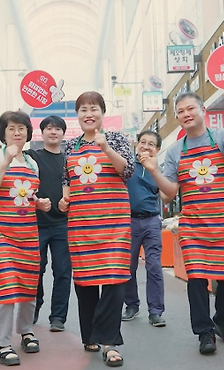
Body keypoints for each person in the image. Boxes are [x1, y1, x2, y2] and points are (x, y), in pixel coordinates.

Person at [141, 92, 224, 355]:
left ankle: (223, 321)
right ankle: (204, 332)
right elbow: (169, 193)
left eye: (191, 109)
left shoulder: (223, 136)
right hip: (194, 227)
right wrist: (154, 170)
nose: (186, 114)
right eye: (180, 111)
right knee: (197, 279)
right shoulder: (176, 151)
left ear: (203, 111)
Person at [59, 92, 135, 367]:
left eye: (93, 109)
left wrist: (106, 149)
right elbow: (66, 180)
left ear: (102, 112)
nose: (88, 114)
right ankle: (90, 333)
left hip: (114, 222)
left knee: (115, 279)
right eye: (83, 110)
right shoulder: (69, 147)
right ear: (77, 115)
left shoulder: (116, 139)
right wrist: (63, 200)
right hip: (81, 222)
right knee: (86, 281)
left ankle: (110, 342)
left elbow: (127, 171)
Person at [0, 110, 51, 366]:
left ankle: (26, 331)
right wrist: (5, 161)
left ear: (28, 133)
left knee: (28, 285)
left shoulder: (32, 164)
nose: (17, 133)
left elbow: (26, 195)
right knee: (6, 286)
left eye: (21, 128)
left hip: (28, 232)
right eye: (11, 128)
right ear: (3, 133)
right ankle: (1, 343)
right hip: (0, 232)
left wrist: (39, 203)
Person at [25, 116, 71, 332]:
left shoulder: (69, 161)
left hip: (63, 224)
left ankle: (58, 317)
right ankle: (34, 308)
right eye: (49, 129)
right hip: (37, 223)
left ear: (63, 134)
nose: (53, 132)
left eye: (58, 129)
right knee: (37, 270)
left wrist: (68, 203)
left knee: (63, 271)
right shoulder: (31, 157)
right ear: (41, 133)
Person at [121, 131, 169, 327]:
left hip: (151, 222)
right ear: (136, 144)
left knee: (154, 266)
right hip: (128, 221)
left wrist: (155, 171)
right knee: (128, 267)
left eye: (151, 144)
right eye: (142, 142)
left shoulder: (158, 169)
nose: (146, 146)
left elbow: (167, 197)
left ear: (157, 149)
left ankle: (156, 311)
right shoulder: (126, 165)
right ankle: (131, 305)